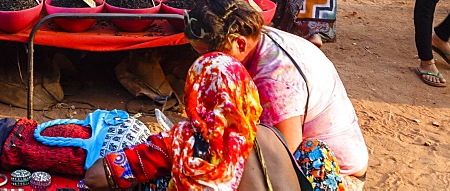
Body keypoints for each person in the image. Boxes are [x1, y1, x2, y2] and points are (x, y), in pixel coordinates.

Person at [181, 0, 369, 185]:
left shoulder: (275, 83)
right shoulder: (258, 37)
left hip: (333, 173)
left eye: (211, 55)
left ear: (240, 44)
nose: (206, 63)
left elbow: (283, 162)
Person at [86, 52, 308, 191]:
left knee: (153, 180)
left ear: (195, 93)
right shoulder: (272, 135)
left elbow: (96, 178)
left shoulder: (186, 139)